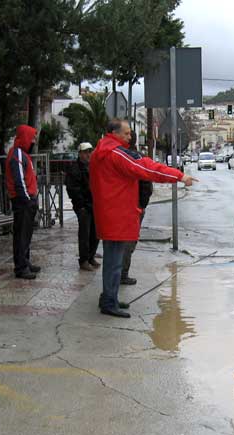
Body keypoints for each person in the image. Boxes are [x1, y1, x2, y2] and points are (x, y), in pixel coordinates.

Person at [90, 118, 198, 318]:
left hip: (108, 212)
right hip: (118, 214)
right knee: (115, 261)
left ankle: (109, 297)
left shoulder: (100, 151)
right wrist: (179, 176)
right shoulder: (117, 154)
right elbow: (147, 168)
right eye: (127, 133)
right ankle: (109, 303)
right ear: (115, 134)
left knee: (112, 260)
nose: (130, 137)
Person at [5, 125, 40, 280]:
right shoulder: (18, 154)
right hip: (23, 202)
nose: (34, 141)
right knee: (21, 236)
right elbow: (19, 181)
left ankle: (24, 262)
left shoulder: (23, 154)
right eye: (32, 137)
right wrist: (27, 199)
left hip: (26, 201)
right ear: (25, 137)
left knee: (25, 235)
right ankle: (21, 267)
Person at [121, 133, 152, 286]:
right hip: (133, 207)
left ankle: (119, 274)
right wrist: (141, 205)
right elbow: (147, 184)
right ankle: (122, 274)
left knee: (118, 243)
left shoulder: (117, 155)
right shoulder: (137, 158)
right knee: (128, 241)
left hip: (122, 206)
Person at [65, 142, 100, 271]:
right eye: (85, 152)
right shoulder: (74, 168)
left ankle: (90, 257)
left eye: (89, 152)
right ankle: (84, 260)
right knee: (85, 233)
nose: (88, 154)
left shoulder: (92, 166)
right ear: (80, 153)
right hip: (83, 206)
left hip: (93, 205)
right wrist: (81, 205)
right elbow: (73, 189)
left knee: (95, 233)